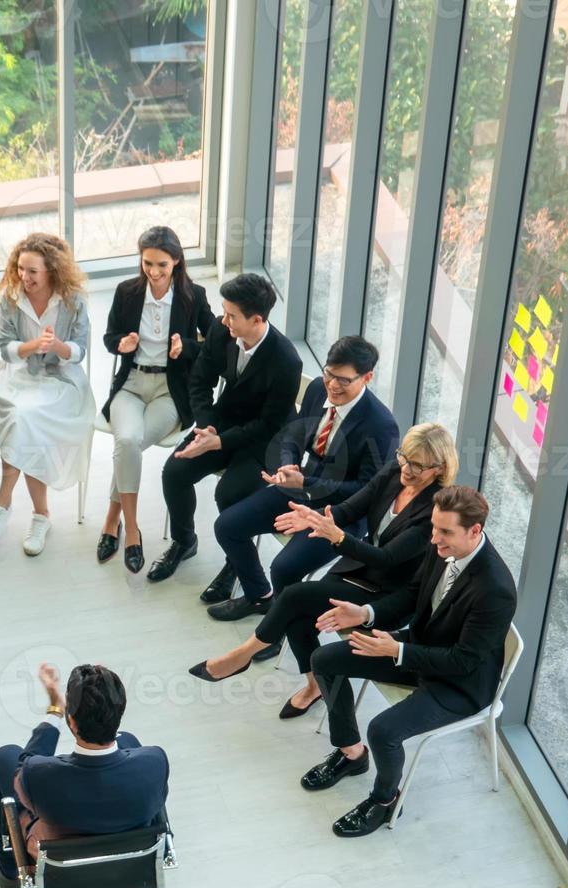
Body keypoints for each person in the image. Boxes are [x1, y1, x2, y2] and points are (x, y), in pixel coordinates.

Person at [189, 424, 456, 719]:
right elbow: (352, 508)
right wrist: (316, 518)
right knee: (297, 607)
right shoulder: (395, 471)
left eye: (417, 464)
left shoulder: (435, 508)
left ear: (439, 468)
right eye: (404, 456)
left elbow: (387, 558)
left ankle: (244, 654)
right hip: (357, 569)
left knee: (293, 597)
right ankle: (314, 684)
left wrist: (338, 537)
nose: (406, 467)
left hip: (387, 594)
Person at [299, 485, 517, 838]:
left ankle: (385, 801)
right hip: (419, 650)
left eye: (445, 531)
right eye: (433, 527)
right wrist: (365, 612)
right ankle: (352, 754)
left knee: (384, 731)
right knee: (325, 659)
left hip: (458, 684)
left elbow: (463, 661)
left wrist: (397, 652)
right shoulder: (442, 547)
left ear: (474, 531)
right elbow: (414, 595)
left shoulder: (496, 589)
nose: (434, 539)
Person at [205, 336, 397, 624]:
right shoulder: (318, 389)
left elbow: (366, 491)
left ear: (367, 377)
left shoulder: (381, 425)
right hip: (300, 489)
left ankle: (277, 627)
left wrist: (306, 484)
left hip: (339, 514)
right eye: (329, 373)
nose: (332, 385)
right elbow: (293, 435)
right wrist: (288, 464)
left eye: (343, 380)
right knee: (227, 526)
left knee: (283, 567)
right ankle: (259, 597)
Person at [147, 273, 302, 591]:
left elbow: (270, 424)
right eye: (224, 311)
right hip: (225, 420)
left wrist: (219, 442)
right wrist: (206, 427)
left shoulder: (287, 360)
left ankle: (235, 564)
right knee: (174, 471)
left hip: (267, 439)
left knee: (228, 493)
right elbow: (200, 381)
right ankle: (184, 542)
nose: (223, 319)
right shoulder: (222, 329)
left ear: (256, 319)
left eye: (232, 314)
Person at [0, 663, 170, 888]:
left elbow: (24, 766)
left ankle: (9, 871)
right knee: (129, 741)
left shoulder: (39, 774)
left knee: (5, 756)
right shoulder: (155, 761)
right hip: (130, 859)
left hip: (57, 861)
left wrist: (55, 709)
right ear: (120, 713)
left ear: (71, 722)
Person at [95, 226, 214, 572]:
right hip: (131, 384)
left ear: (176, 261)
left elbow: (214, 342)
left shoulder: (194, 295)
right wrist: (121, 344)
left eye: (162, 264)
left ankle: (112, 519)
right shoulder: (127, 292)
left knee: (127, 446)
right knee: (128, 440)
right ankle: (132, 531)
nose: (154, 271)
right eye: (148, 263)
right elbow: (109, 336)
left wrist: (187, 346)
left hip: (170, 390)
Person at [0, 233, 96, 556]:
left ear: (51, 271)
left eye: (32, 272)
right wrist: (32, 346)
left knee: (25, 420)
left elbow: (80, 350)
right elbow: (6, 348)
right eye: (20, 269)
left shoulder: (73, 301)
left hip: (60, 383)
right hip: (19, 379)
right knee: (22, 418)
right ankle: (40, 514)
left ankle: (3, 505)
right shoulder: (11, 298)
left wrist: (57, 346)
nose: (24, 277)